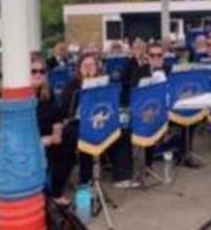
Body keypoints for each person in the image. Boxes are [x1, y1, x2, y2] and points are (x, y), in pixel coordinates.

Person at [61, 53, 138, 189]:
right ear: (79, 68)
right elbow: (66, 109)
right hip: (80, 121)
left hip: (102, 118)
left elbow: (112, 103)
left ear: (97, 67)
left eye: (92, 65)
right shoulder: (72, 84)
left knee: (123, 131)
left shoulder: (104, 82)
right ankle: (86, 180)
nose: (88, 68)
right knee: (85, 135)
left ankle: (122, 175)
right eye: (85, 65)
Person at [31, 54, 75, 206]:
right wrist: (41, 141)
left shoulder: (46, 92)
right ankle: (40, 194)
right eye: (33, 71)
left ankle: (56, 192)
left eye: (42, 71)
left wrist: (57, 133)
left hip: (49, 136)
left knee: (70, 136)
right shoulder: (21, 95)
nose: (38, 74)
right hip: (30, 139)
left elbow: (57, 116)